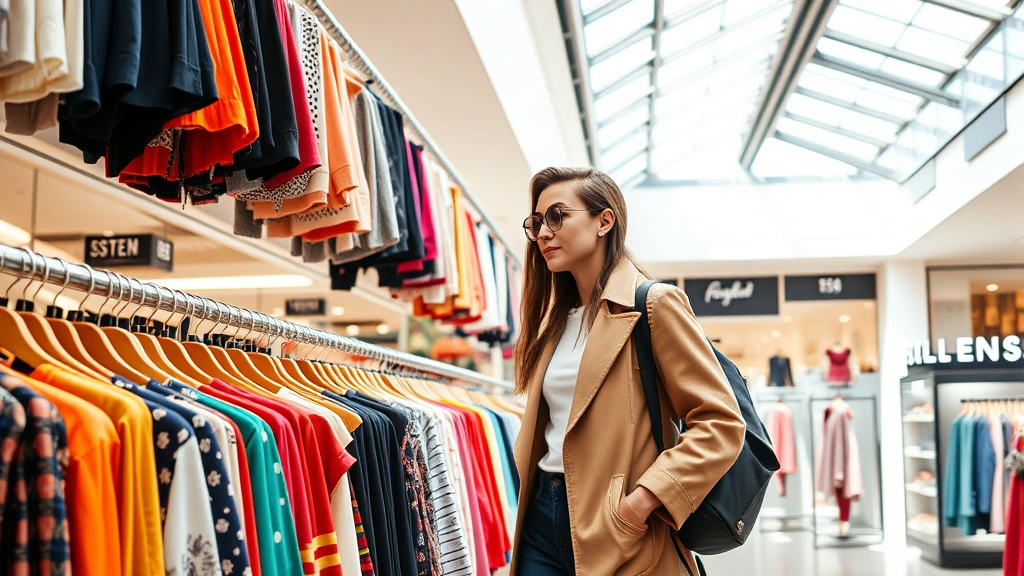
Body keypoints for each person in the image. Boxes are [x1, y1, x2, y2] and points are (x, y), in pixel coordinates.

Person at [510, 167, 746, 575]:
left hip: (618, 523)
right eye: (537, 223)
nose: (544, 233)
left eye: (557, 216)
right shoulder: (555, 322)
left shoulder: (653, 305)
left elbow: (720, 423)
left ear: (604, 221)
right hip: (541, 517)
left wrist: (641, 502)